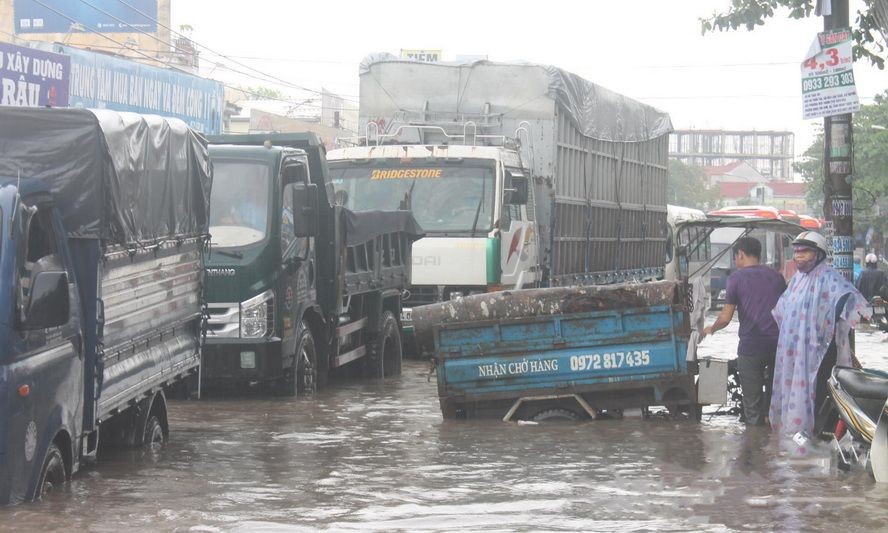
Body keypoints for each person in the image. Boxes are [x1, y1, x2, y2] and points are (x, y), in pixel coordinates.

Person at [769, 231, 871, 435]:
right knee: (793, 392)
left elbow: (851, 301)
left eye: (804, 252)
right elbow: (781, 311)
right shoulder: (797, 281)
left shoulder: (830, 278)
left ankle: (817, 441)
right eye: (796, 252)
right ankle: (799, 440)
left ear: (819, 254)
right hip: (794, 354)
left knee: (819, 397)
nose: (798, 256)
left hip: (821, 352)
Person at [701, 237, 786, 426]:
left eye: (735, 256)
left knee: (752, 406)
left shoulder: (736, 279)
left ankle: (755, 445)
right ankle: (773, 446)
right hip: (778, 345)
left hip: (751, 347)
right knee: (776, 401)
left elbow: (725, 317)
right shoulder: (777, 277)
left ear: (740, 254)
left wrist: (710, 329)